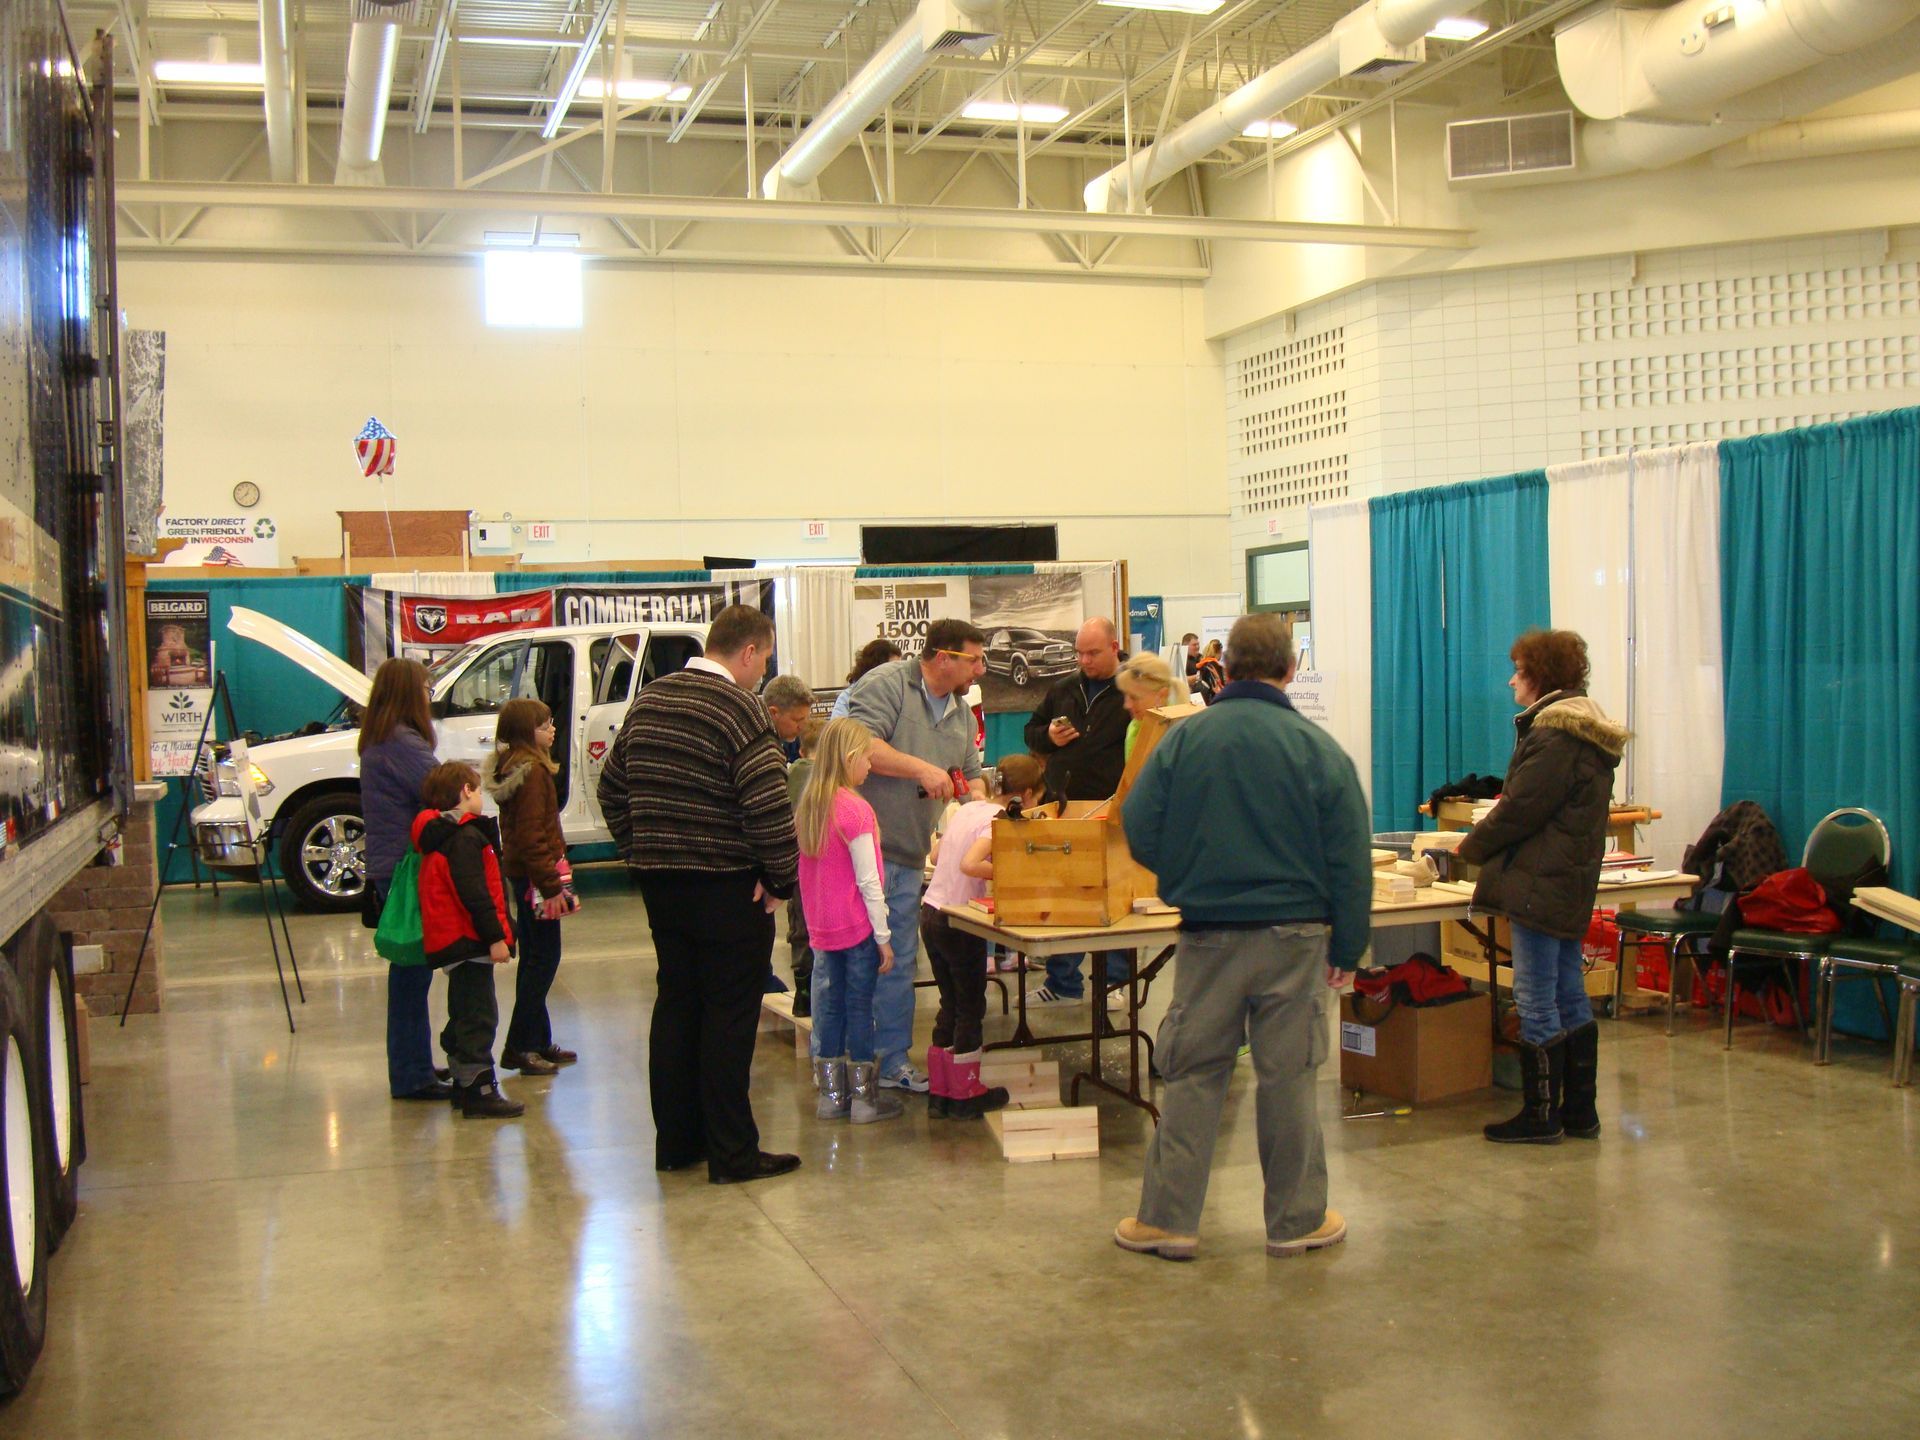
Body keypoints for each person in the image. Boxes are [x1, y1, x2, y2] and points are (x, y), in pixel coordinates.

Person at [1114, 613, 1370, 1263]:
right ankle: (1296, 1221)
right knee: (1289, 1079)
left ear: (1224, 669)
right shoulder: (1318, 750)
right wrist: (1347, 948)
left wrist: (1181, 879)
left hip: (1209, 938)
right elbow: (1350, 858)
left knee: (1195, 1074)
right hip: (1296, 938)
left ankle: (1169, 1220)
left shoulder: (1182, 741)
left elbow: (1138, 825)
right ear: (1290, 670)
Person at [597, 604, 802, 1185]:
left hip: (663, 888)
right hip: (727, 888)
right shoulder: (740, 709)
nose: (761, 674)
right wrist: (781, 880)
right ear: (749, 653)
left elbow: (611, 786)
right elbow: (767, 806)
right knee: (729, 1016)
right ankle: (732, 1153)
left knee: (677, 1007)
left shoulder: (652, 699)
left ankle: (677, 1144)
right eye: (762, 661)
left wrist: (640, 851)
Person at [1456, 628, 1627, 1146]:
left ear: (1540, 677)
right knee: (1568, 991)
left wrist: (1469, 849)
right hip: (1565, 880)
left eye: (1519, 670)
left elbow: (1523, 807)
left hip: (1538, 882)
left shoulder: (1553, 734)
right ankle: (1579, 1112)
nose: (1511, 680)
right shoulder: (1582, 730)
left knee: (1534, 993)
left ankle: (1541, 1113)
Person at [845, 619, 988, 1093]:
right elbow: (860, 745)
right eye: (974, 660)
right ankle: (848, 1059)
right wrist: (922, 769)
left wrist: (988, 819)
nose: (981, 670)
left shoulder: (962, 714)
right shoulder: (887, 685)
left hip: (907, 856)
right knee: (852, 959)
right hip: (860, 855)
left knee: (899, 961)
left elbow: (970, 779)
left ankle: (890, 1063)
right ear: (943, 657)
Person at [921, 753, 1047, 1119]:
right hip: (960, 921)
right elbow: (969, 863)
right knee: (971, 1007)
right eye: (1036, 800)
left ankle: (940, 1092)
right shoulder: (997, 820)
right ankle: (965, 1092)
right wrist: (1011, 867)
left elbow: (936, 852)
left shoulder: (968, 810)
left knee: (950, 1002)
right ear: (1023, 795)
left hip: (931, 912)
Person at [795, 719, 902, 1125]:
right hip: (857, 929)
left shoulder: (810, 804)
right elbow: (869, 881)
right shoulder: (856, 810)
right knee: (860, 1008)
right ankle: (863, 1101)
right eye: (868, 759)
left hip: (822, 929)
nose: (871, 767)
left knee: (829, 1008)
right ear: (851, 758)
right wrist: (884, 936)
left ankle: (831, 1096)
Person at [1022, 617, 1130, 1005]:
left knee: (1114, 895)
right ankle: (1063, 983)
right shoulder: (1064, 689)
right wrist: (1047, 736)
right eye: (1080, 653)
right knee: (1064, 894)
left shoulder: (1133, 690)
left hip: (1112, 807)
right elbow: (1030, 730)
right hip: (1064, 805)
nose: (1085, 660)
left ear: (1115, 646)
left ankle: (1116, 983)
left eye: (1093, 653)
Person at [358, 657, 448, 1102]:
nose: (430, 695)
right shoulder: (401, 741)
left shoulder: (382, 736)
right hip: (404, 867)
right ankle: (412, 1074)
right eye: (426, 687)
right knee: (413, 973)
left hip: (389, 864)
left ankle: (414, 1062)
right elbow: (440, 787)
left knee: (411, 973)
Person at [412, 761, 522, 1120]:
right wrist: (496, 937)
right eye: (476, 789)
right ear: (465, 791)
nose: (480, 796)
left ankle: (463, 1083)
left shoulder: (442, 835)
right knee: (479, 1015)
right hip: (470, 939)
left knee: (464, 1010)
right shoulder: (464, 837)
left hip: (452, 939)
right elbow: (475, 894)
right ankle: (480, 1090)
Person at [485, 698, 579, 1079]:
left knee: (537, 958)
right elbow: (532, 835)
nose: (553, 729)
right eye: (545, 725)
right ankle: (520, 1045)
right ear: (527, 732)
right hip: (536, 879)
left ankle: (538, 1040)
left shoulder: (514, 768)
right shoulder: (535, 774)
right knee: (543, 960)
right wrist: (550, 884)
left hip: (523, 875)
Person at [786, 716, 825, 1016]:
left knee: (799, 928)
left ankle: (803, 995)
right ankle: (816, 995)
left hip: (796, 867)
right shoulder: (826, 780)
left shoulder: (790, 775)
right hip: (821, 867)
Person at [1115, 653, 1193, 762]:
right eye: (1125, 695)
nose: (1126, 705)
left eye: (1134, 697)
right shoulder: (1134, 727)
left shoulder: (1180, 735)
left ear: (1162, 695)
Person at [829, 639, 903, 718]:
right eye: (892, 668)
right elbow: (839, 729)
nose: (897, 673)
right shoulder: (847, 698)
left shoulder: (900, 696)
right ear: (876, 667)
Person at [764, 674, 814, 763]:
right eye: (797, 720)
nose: (802, 727)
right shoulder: (758, 750)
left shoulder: (797, 738)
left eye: (806, 719)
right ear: (773, 713)